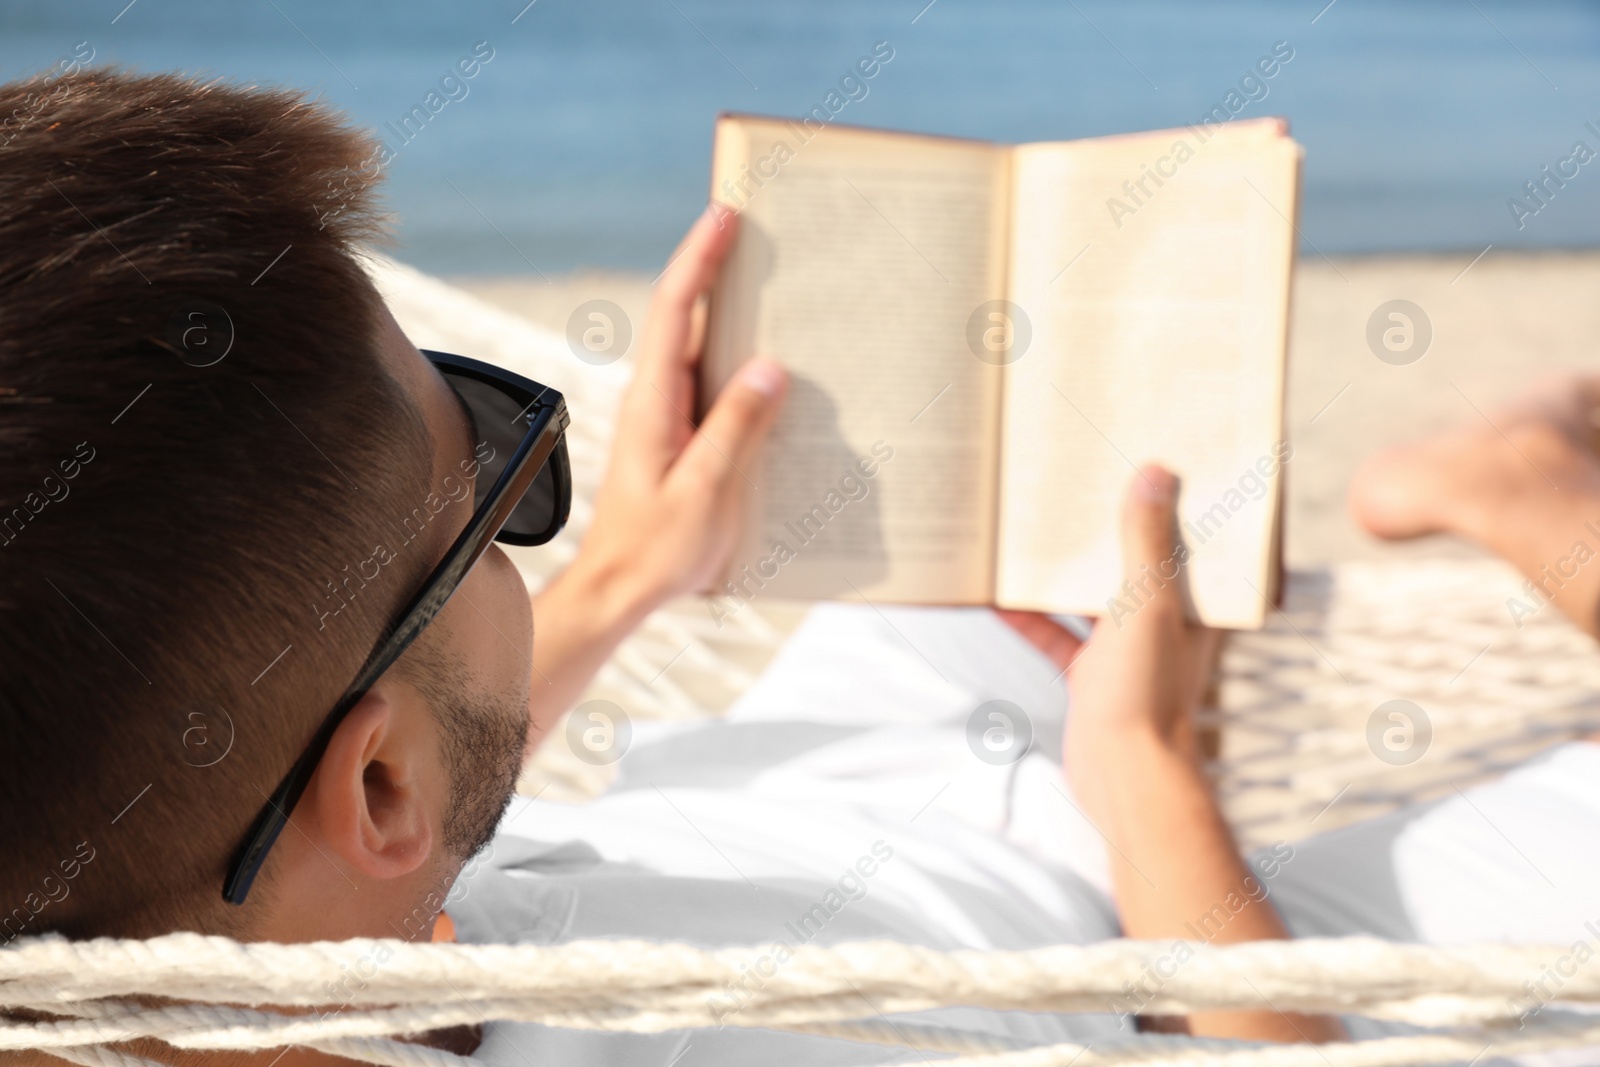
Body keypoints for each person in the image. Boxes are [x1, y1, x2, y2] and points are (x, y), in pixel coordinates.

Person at [4, 69, 1599, 1067]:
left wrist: (624, 570)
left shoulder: (191, 953)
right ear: (379, 791)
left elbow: (361, 833)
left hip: (797, 798)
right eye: (495, 480)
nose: (526, 485)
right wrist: (1143, 766)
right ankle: (1516, 496)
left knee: (1041, 495)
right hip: (1160, 942)